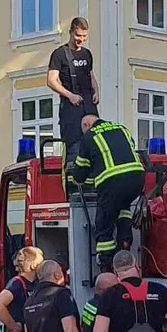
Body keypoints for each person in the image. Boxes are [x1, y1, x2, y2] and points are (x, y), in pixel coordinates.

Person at [72, 115, 145, 273]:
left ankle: (106, 266)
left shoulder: (89, 136)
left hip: (112, 183)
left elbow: (80, 173)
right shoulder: (121, 128)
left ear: (86, 124)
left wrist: (73, 176)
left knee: (104, 223)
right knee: (123, 211)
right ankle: (125, 248)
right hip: (137, 179)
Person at [48, 16, 100, 169]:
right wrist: (70, 96)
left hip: (89, 106)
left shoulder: (87, 54)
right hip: (71, 110)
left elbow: (91, 75)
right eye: (78, 36)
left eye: (84, 36)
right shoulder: (59, 54)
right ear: (71, 32)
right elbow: (51, 80)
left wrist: (96, 91)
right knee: (75, 148)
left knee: (95, 142)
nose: (81, 40)